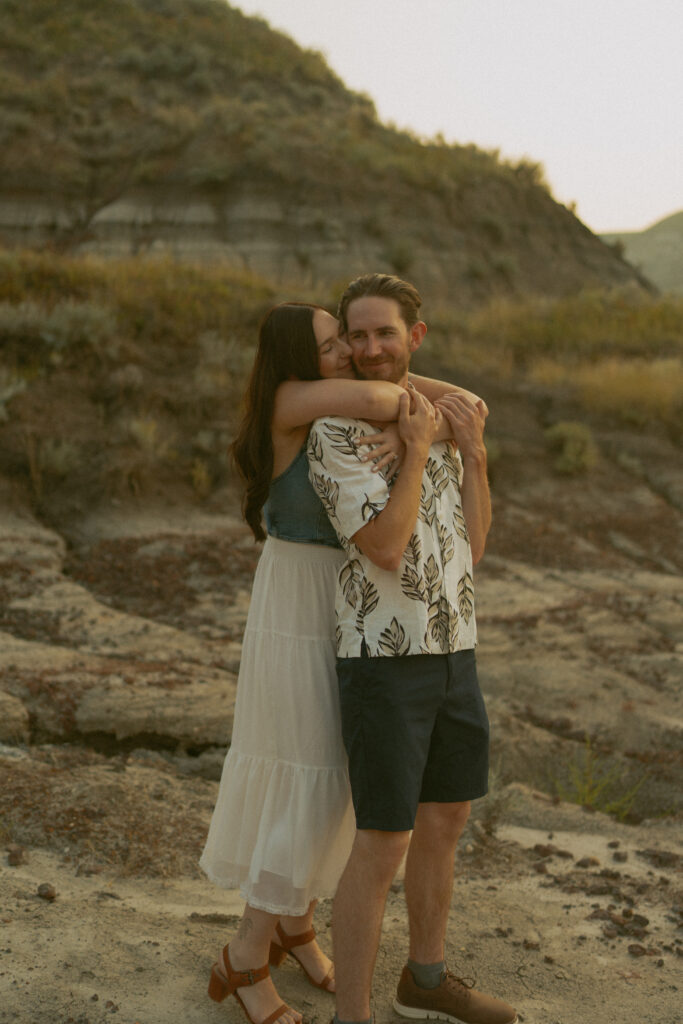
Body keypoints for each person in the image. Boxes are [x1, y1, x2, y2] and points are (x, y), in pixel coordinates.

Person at [200, 301, 483, 1024]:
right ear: (298, 356)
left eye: (348, 341)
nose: (348, 355)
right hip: (299, 597)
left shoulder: (335, 405)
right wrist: (419, 419)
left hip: (345, 593)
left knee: (335, 773)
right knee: (304, 774)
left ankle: (295, 926)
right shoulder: (293, 400)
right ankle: (243, 958)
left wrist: (433, 418)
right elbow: (391, 395)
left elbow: (465, 403)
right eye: (331, 346)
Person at [307, 274, 518, 1024]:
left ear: (414, 338)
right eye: (354, 336)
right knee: (382, 840)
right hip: (382, 660)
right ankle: (352, 1016)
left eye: (382, 334)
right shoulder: (334, 432)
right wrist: (418, 444)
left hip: (455, 648)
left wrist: (472, 453)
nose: (367, 350)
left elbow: (476, 543)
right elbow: (386, 548)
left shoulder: (426, 418)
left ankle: (424, 981)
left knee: (445, 822)